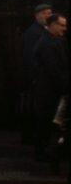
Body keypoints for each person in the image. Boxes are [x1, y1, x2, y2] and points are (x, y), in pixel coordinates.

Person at [32, 13, 68, 162]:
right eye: (62, 25)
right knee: (46, 122)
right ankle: (42, 153)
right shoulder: (47, 44)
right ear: (52, 25)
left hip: (52, 89)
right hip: (48, 91)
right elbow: (54, 71)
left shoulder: (56, 40)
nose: (65, 28)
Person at [21, 3, 52, 143]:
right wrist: (35, 77)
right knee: (38, 110)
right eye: (44, 13)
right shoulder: (33, 33)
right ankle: (35, 141)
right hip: (38, 78)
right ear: (37, 15)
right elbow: (30, 56)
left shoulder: (46, 30)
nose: (48, 15)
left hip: (45, 77)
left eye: (50, 13)